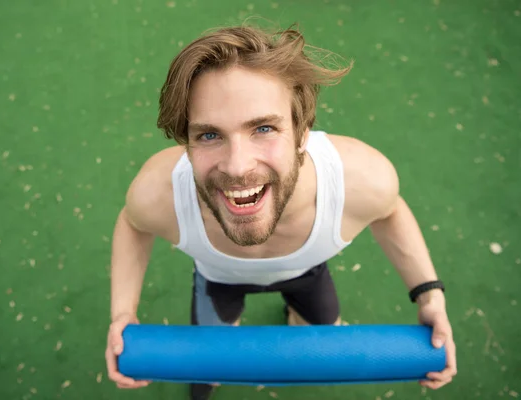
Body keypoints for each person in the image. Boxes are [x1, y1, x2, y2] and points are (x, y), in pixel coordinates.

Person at [104, 24, 457, 400]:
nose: (237, 167)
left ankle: (295, 317)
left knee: (324, 331)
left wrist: (429, 294)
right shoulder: (160, 193)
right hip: (218, 280)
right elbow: (132, 223)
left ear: (302, 132)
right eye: (209, 135)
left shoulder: (361, 179)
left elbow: (390, 212)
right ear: (187, 145)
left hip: (306, 274)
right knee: (206, 372)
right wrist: (122, 313)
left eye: (264, 128)